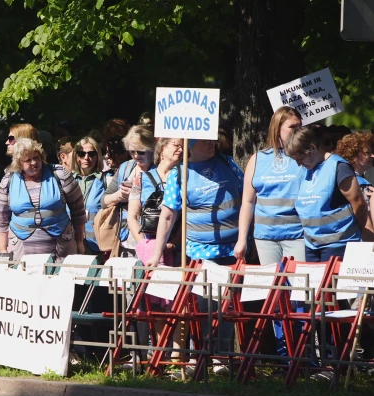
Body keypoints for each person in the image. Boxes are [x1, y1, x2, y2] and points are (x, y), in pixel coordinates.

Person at [146, 139, 244, 374]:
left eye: (212, 140)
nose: (212, 144)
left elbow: (249, 197)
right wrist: (156, 253)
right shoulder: (179, 174)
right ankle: (199, 357)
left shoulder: (228, 163)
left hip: (231, 251)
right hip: (198, 253)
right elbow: (168, 215)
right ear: (190, 146)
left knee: (225, 307)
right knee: (199, 308)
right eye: (204, 141)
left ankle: (222, 357)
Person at [284, 127, 374, 261]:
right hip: (312, 244)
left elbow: (359, 204)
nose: (298, 164)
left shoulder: (339, 167)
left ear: (313, 149)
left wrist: (364, 234)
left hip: (338, 244)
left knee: (332, 282)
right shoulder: (306, 169)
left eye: (301, 158)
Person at [235, 106, 305, 264]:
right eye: (292, 127)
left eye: (300, 126)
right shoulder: (258, 159)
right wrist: (242, 239)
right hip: (265, 237)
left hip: (297, 235)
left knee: (299, 286)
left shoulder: (304, 158)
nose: (298, 130)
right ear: (277, 128)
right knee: (272, 287)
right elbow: (247, 202)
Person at [0, 138, 85, 261]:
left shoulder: (59, 174)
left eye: (36, 158)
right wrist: (3, 249)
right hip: (20, 248)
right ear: (19, 163)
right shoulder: (8, 181)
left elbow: (78, 210)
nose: (33, 162)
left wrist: (79, 241)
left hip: (61, 245)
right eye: (27, 160)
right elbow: (1, 219)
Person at [101, 126, 156, 257]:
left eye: (141, 152)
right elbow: (103, 201)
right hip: (124, 239)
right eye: (132, 152)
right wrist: (119, 195)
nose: (136, 156)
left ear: (152, 149)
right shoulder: (126, 167)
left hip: (152, 238)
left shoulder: (161, 170)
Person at [128, 137, 182, 267]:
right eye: (176, 145)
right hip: (147, 246)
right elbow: (133, 217)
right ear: (162, 148)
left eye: (183, 147)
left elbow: (187, 216)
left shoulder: (185, 178)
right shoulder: (140, 179)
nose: (180, 149)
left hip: (176, 249)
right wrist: (145, 246)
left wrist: (173, 243)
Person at [72, 137, 104, 256]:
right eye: (81, 153)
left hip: (97, 244)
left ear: (98, 156)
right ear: (76, 156)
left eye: (91, 154)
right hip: (72, 242)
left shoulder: (107, 180)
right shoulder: (68, 180)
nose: (86, 158)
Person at [335, 132, 374, 211]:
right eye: (367, 153)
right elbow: (367, 217)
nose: (372, 156)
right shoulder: (361, 184)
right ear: (352, 155)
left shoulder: (339, 178)